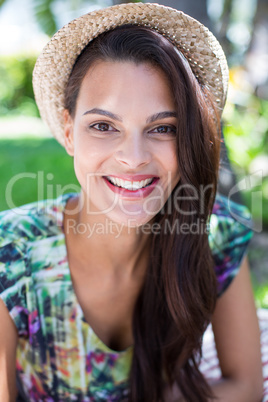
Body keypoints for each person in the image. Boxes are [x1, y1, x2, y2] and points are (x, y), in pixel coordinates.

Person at [0, 3, 263, 401]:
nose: (134, 157)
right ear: (69, 132)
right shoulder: (12, 253)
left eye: (162, 128)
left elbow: (244, 387)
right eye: (104, 126)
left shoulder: (216, 234)